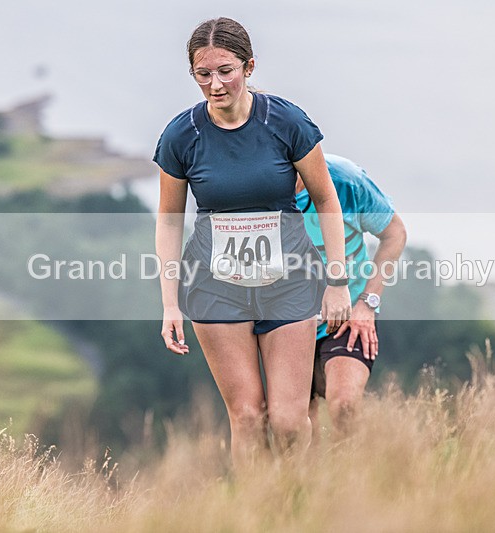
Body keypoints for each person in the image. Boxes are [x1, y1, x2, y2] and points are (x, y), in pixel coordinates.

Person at [153, 17, 352, 466]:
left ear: (248, 66)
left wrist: (337, 282)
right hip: (215, 287)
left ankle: (299, 508)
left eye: (225, 70)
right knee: (246, 417)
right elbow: (168, 222)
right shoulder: (181, 136)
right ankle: (253, 514)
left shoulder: (286, 121)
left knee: (287, 421)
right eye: (202, 74)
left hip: (289, 284)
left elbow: (326, 199)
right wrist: (169, 303)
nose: (215, 84)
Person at [296, 154, 407, 441]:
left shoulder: (345, 180)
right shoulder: (257, 189)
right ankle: (306, 486)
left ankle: (359, 480)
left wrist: (368, 304)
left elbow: (395, 234)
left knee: (344, 406)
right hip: (287, 322)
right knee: (295, 428)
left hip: (349, 312)